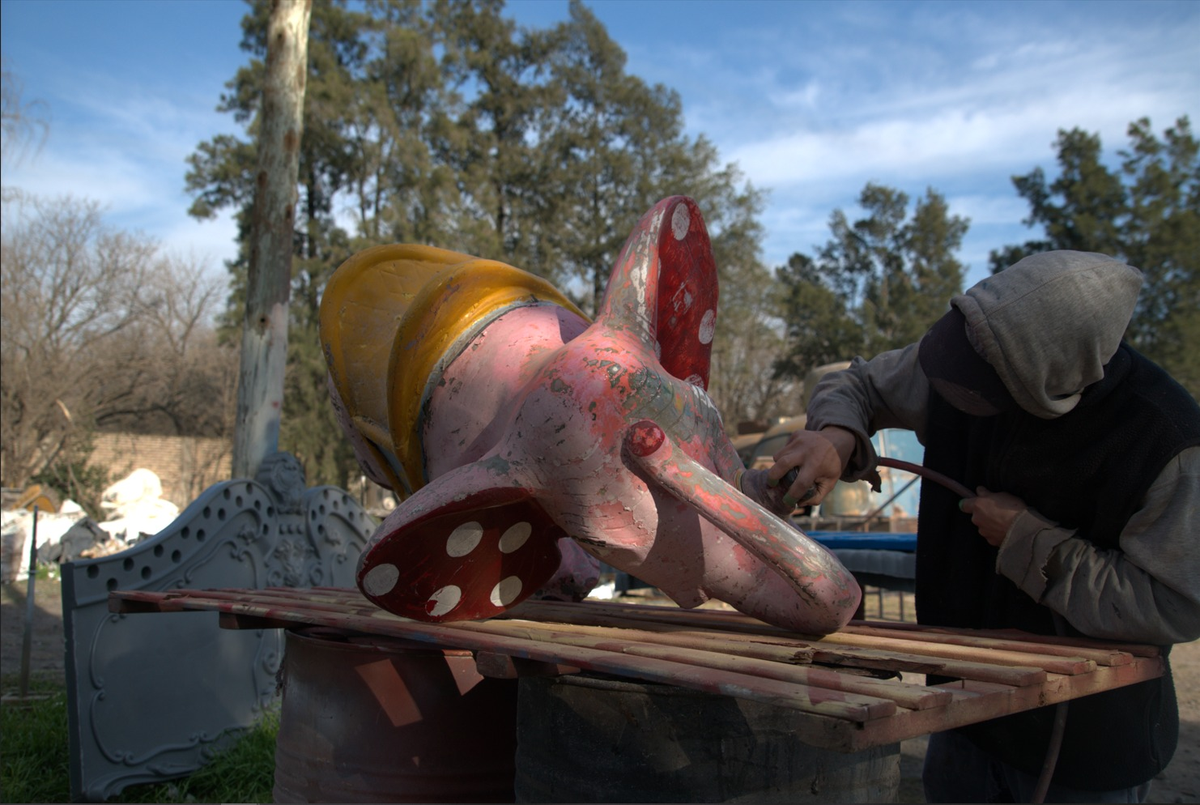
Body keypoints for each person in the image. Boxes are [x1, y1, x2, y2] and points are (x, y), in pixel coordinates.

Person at [770, 250, 1200, 803]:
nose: (955, 388)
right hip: (963, 712)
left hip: (1086, 745)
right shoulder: (971, 353)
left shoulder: (1166, 442)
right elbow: (860, 384)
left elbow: (1178, 604)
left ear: (1052, 382)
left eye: (981, 386)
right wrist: (837, 434)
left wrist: (1031, 544)